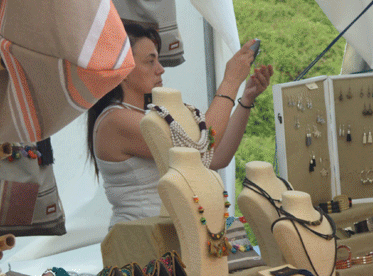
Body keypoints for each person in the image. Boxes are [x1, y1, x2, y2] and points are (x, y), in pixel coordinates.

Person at [86, 21, 272, 228]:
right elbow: (201, 148)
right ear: (123, 70)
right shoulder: (115, 120)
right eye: (150, 61)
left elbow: (216, 157)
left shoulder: (144, 115)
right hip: (142, 245)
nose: (161, 69)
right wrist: (230, 81)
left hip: (168, 238)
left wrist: (246, 99)